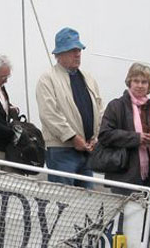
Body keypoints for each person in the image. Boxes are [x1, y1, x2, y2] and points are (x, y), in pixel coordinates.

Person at [36, 27, 103, 188]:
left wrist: (96, 137)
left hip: (87, 151)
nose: (78, 54)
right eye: (72, 50)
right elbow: (49, 114)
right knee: (63, 202)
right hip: (61, 152)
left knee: (86, 201)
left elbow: (100, 109)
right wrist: (73, 137)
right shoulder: (47, 79)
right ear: (59, 55)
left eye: (79, 50)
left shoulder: (88, 78)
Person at [99, 63, 150, 195]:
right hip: (124, 175)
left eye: (144, 82)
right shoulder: (116, 106)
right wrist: (137, 138)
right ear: (129, 82)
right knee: (124, 215)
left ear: (149, 85)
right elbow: (105, 135)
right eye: (136, 81)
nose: (140, 85)